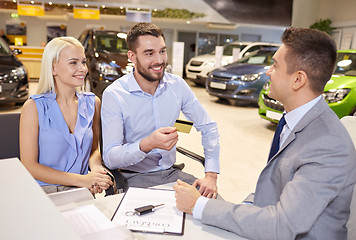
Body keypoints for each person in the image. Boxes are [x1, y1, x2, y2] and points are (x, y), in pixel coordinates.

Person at [174, 27, 356, 239]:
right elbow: (274, 192)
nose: (268, 71)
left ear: (298, 80)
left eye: (275, 65)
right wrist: (243, 206)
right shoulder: (292, 120)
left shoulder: (328, 145)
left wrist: (200, 206)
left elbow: (282, 225)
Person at [101, 22, 220, 198]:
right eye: (149, 53)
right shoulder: (115, 95)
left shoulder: (177, 85)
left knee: (216, 210)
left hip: (172, 174)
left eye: (162, 51)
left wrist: (211, 175)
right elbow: (111, 157)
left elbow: (208, 127)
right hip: (133, 178)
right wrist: (147, 144)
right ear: (132, 57)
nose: (159, 60)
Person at [20, 36, 113, 194]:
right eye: (73, 63)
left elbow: (93, 149)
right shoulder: (33, 107)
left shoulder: (93, 103)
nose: (83, 68)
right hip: (43, 193)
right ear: (53, 68)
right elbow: (30, 166)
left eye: (83, 62)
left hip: (81, 192)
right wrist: (81, 180)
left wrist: (97, 170)